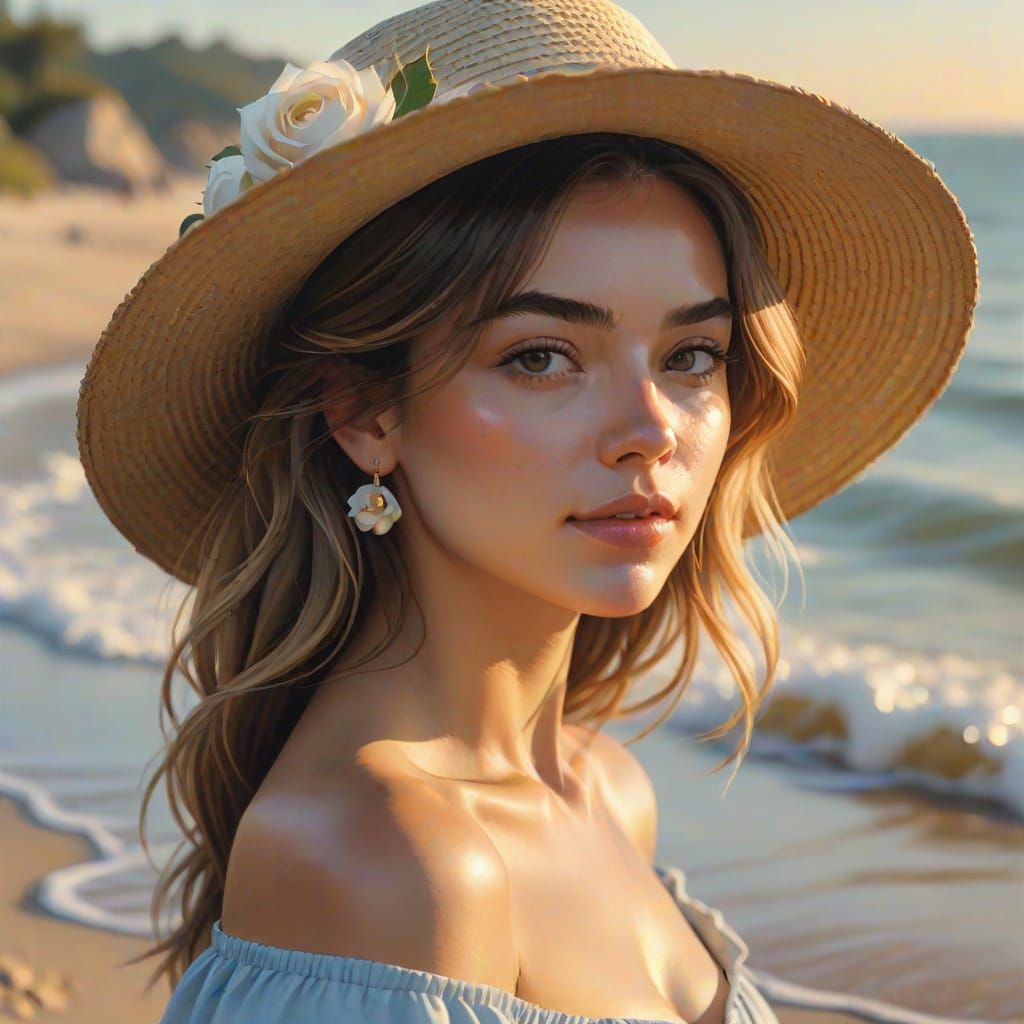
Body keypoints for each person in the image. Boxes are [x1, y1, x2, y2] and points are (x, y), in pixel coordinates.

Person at [75, 1, 978, 1022]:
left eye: (691, 355)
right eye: (541, 356)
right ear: (364, 412)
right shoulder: (392, 867)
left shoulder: (602, 786)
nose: (649, 429)